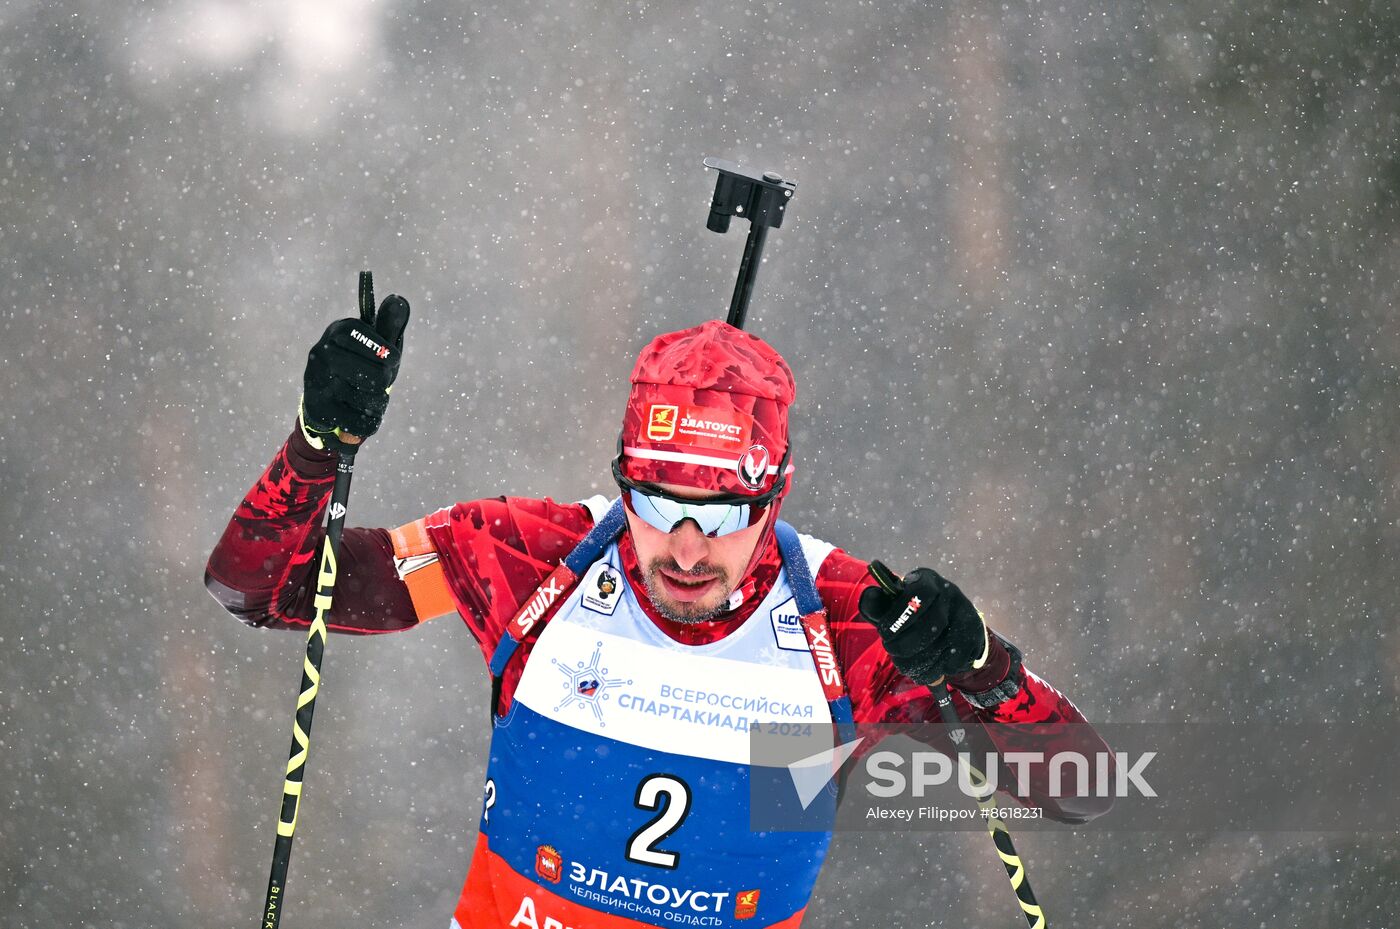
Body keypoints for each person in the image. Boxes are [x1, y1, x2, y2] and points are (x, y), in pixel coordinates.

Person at [206, 301, 1111, 929]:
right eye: (654, 501)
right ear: (621, 480)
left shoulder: (851, 624)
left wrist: (981, 665)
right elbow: (261, 587)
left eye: (721, 517)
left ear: (776, 497)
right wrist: (316, 445)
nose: (684, 548)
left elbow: (1085, 790)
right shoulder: (527, 558)